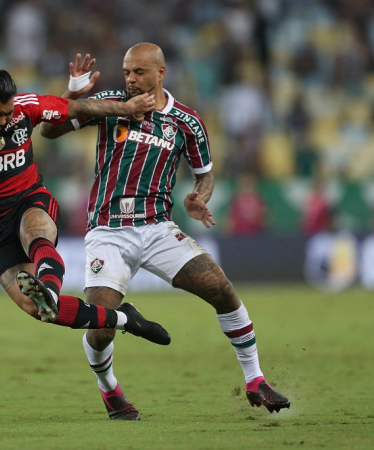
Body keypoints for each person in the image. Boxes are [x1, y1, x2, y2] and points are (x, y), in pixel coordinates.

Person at [40, 45, 290, 420]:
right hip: (109, 231)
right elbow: (50, 129)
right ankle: (110, 390)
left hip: (158, 228)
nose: (129, 79)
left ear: (161, 73)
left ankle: (255, 380)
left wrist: (198, 197)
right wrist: (73, 94)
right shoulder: (111, 103)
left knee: (221, 290)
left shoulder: (186, 121)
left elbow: (204, 174)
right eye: (126, 71)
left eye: (139, 72)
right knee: (101, 327)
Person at [0, 60, 171, 345]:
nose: (2, 121)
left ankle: (48, 289)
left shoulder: (26, 106)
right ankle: (126, 318)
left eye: (7, 113)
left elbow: (75, 109)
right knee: (35, 308)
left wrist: (125, 108)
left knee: (35, 235)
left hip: (30, 198)